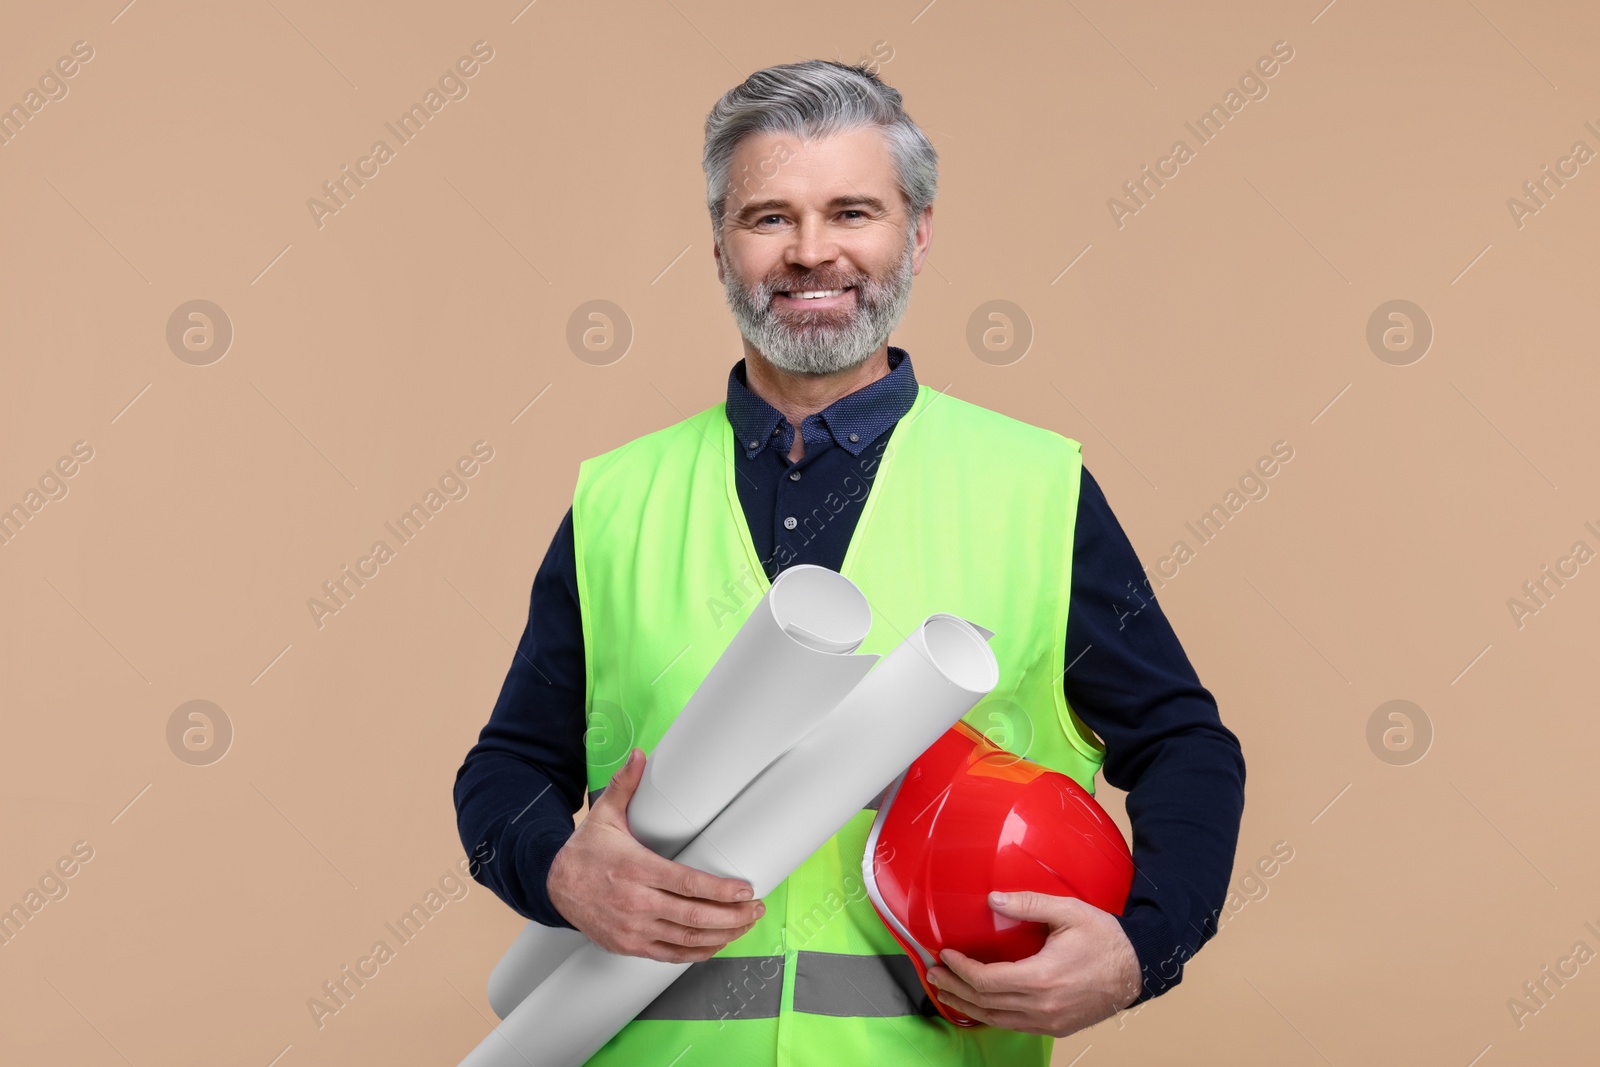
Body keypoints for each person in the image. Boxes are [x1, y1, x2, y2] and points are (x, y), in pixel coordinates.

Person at [454, 59, 1245, 1066]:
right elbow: (507, 766)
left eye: (852, 211)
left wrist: (1142, 947)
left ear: (915, 233)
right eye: (768, 218)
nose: (812, 251)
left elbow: (1185, 742)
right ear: (718, 249)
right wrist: (556, 864)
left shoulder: (1030, 489)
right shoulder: (621, 499)